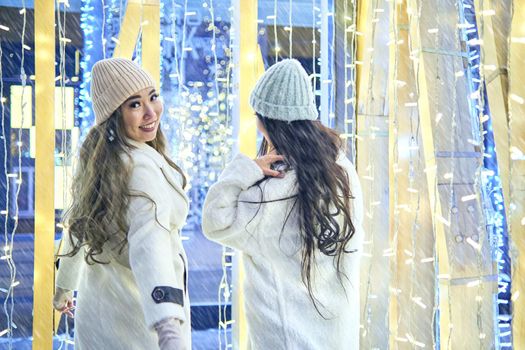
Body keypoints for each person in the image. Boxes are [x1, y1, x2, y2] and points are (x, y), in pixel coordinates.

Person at [202, 59, 364, 350]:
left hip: (283, 340)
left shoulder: (274, 191)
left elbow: (215, 220)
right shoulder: (342, 172)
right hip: (336, 337)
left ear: (265, 123)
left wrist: (246, 169)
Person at [52, 58, 191, 350]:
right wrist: (168, 328)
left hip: (99, 320)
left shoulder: (104, 162)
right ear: (114, 115)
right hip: (137, 326)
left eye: (152, 96)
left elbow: (79, 225)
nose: (151, 111)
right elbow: (150, 248)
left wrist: (64, 287)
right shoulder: (140, 169)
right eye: (135, 104)